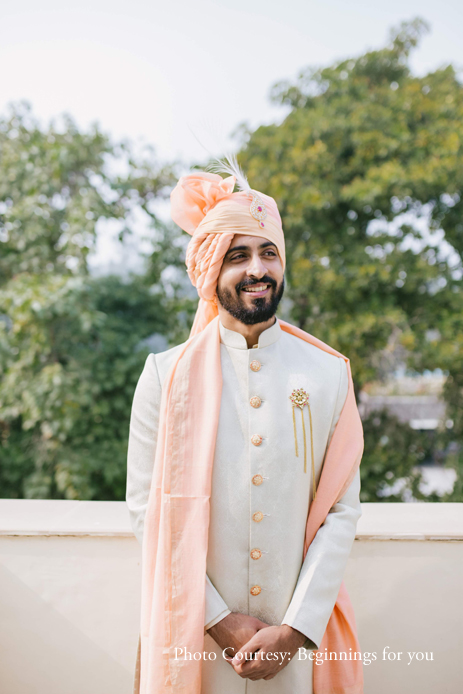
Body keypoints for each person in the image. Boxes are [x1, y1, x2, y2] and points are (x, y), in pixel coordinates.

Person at [126, 159, 364, 694]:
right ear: (211, 270)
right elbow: (147, 510)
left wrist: (297, 628)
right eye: (238, 256)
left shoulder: (328, 374)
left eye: (269, 252)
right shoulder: (164, 376)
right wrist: (218, 620)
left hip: (297, 648)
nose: (258, 269)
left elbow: (341, 510)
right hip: (197, 639)